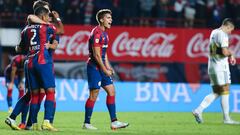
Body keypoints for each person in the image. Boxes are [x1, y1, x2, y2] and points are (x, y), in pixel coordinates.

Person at [5, 6, 58, 131]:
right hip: (42, 61)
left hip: (29, 63)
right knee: (50, 91)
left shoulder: (25, 30)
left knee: (33, 94)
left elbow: (19, 48)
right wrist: (56, 20)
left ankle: (20, 120)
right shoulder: (48, 27)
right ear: (44, 16)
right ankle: (46, 121)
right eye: (47, 15)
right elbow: (59, 31)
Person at [83, 9, 129, 130]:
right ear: (102, 20)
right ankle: (86, 123)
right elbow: (97, 55)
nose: (111, 20)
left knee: (112, 91)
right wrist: (105, 69)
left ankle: (114, 122)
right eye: (108, 18)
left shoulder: (105, 34)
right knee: (94, 94)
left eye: (111, 18)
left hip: (102, 68)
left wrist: (108, 67)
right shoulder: (97, 33)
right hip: (94, 67)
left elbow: (104, 54)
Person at [192, 18, 240, 125]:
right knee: (225, 91)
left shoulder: (214, 32)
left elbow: (218, 50)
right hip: (221, 67)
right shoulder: (223, 35)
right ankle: (226, 119)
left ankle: (199, 110)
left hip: (212, 66)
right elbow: (224, 50)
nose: (230, 32)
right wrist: (231, 55)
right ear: (227, 26)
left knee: (218, 92)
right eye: (231, 29)